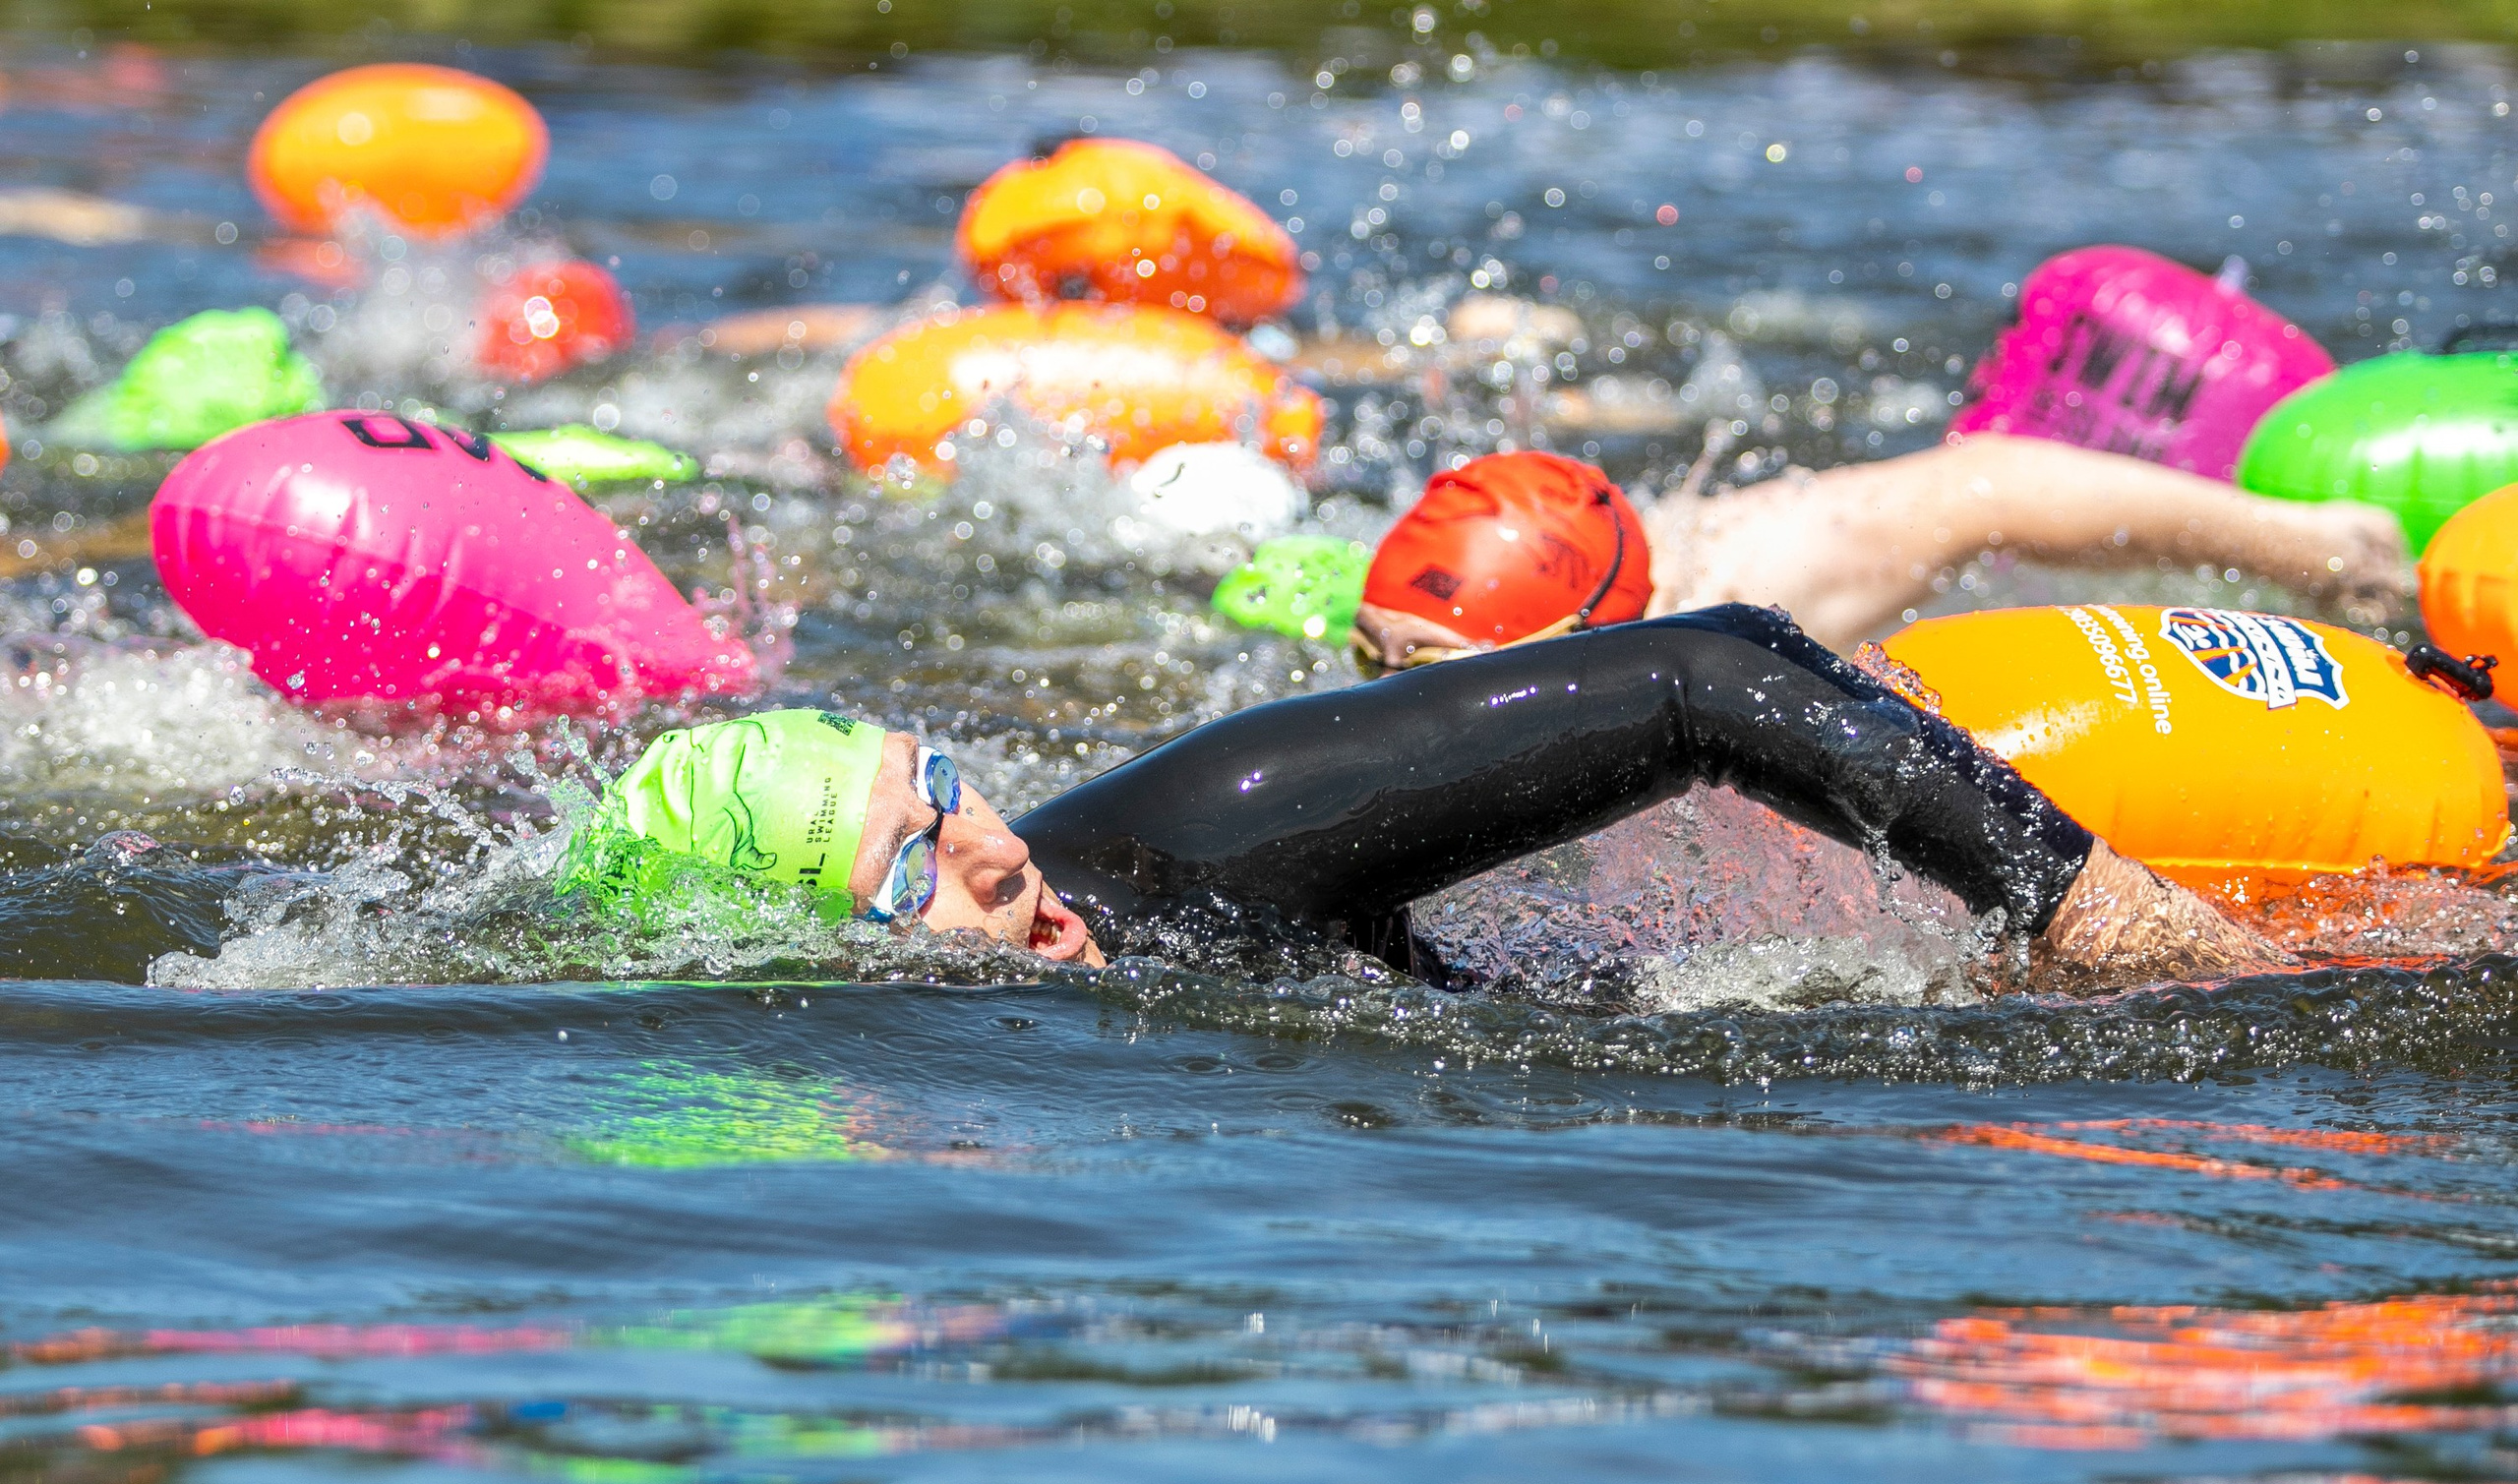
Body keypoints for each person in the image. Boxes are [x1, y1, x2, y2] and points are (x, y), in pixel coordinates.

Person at [561, 606, 2274, 988]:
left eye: (948, 787)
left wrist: (2116, 924)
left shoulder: (1195, 836)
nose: (995, 851)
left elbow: (1717, 670)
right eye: (909, 867)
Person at [1351, 436, 2412, 667]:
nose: (1385, 698)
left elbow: (1977, 486)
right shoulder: (1426, 615)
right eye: (1371, 659)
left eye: (1425, 672)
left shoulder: (1754, 590)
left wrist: (2307, 552)